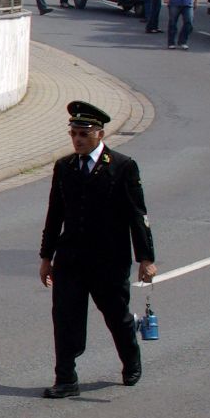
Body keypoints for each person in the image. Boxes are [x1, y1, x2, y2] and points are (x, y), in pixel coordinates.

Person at [40, 102, 157, 399]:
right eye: (73, 133)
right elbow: (55, 215)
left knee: (117, 316)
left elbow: (137, 215)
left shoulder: (122, 166)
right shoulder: (64, 167)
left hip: (108, 261)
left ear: (100, 134)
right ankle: (66, 378)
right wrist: (46, 257)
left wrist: (145, 258)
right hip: (71, 261)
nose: (77, 139)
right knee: (65, 318)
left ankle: (131, 359)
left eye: (83, 134)